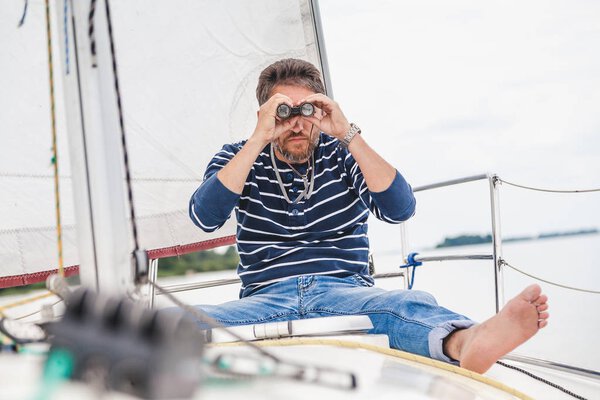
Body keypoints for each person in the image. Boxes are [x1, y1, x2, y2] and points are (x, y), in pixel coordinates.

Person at [189, 58, 549, 373]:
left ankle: (467, 342)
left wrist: (348, 134)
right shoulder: (239, 156)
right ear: (266, 111)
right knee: (173, 321)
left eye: (306, 110)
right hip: (264, 299)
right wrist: (257, 140)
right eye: (285, 111)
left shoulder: (343, 153)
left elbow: (399, 209)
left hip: (345, 291)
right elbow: (204, 217)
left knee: (404, 306)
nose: (296, 123)